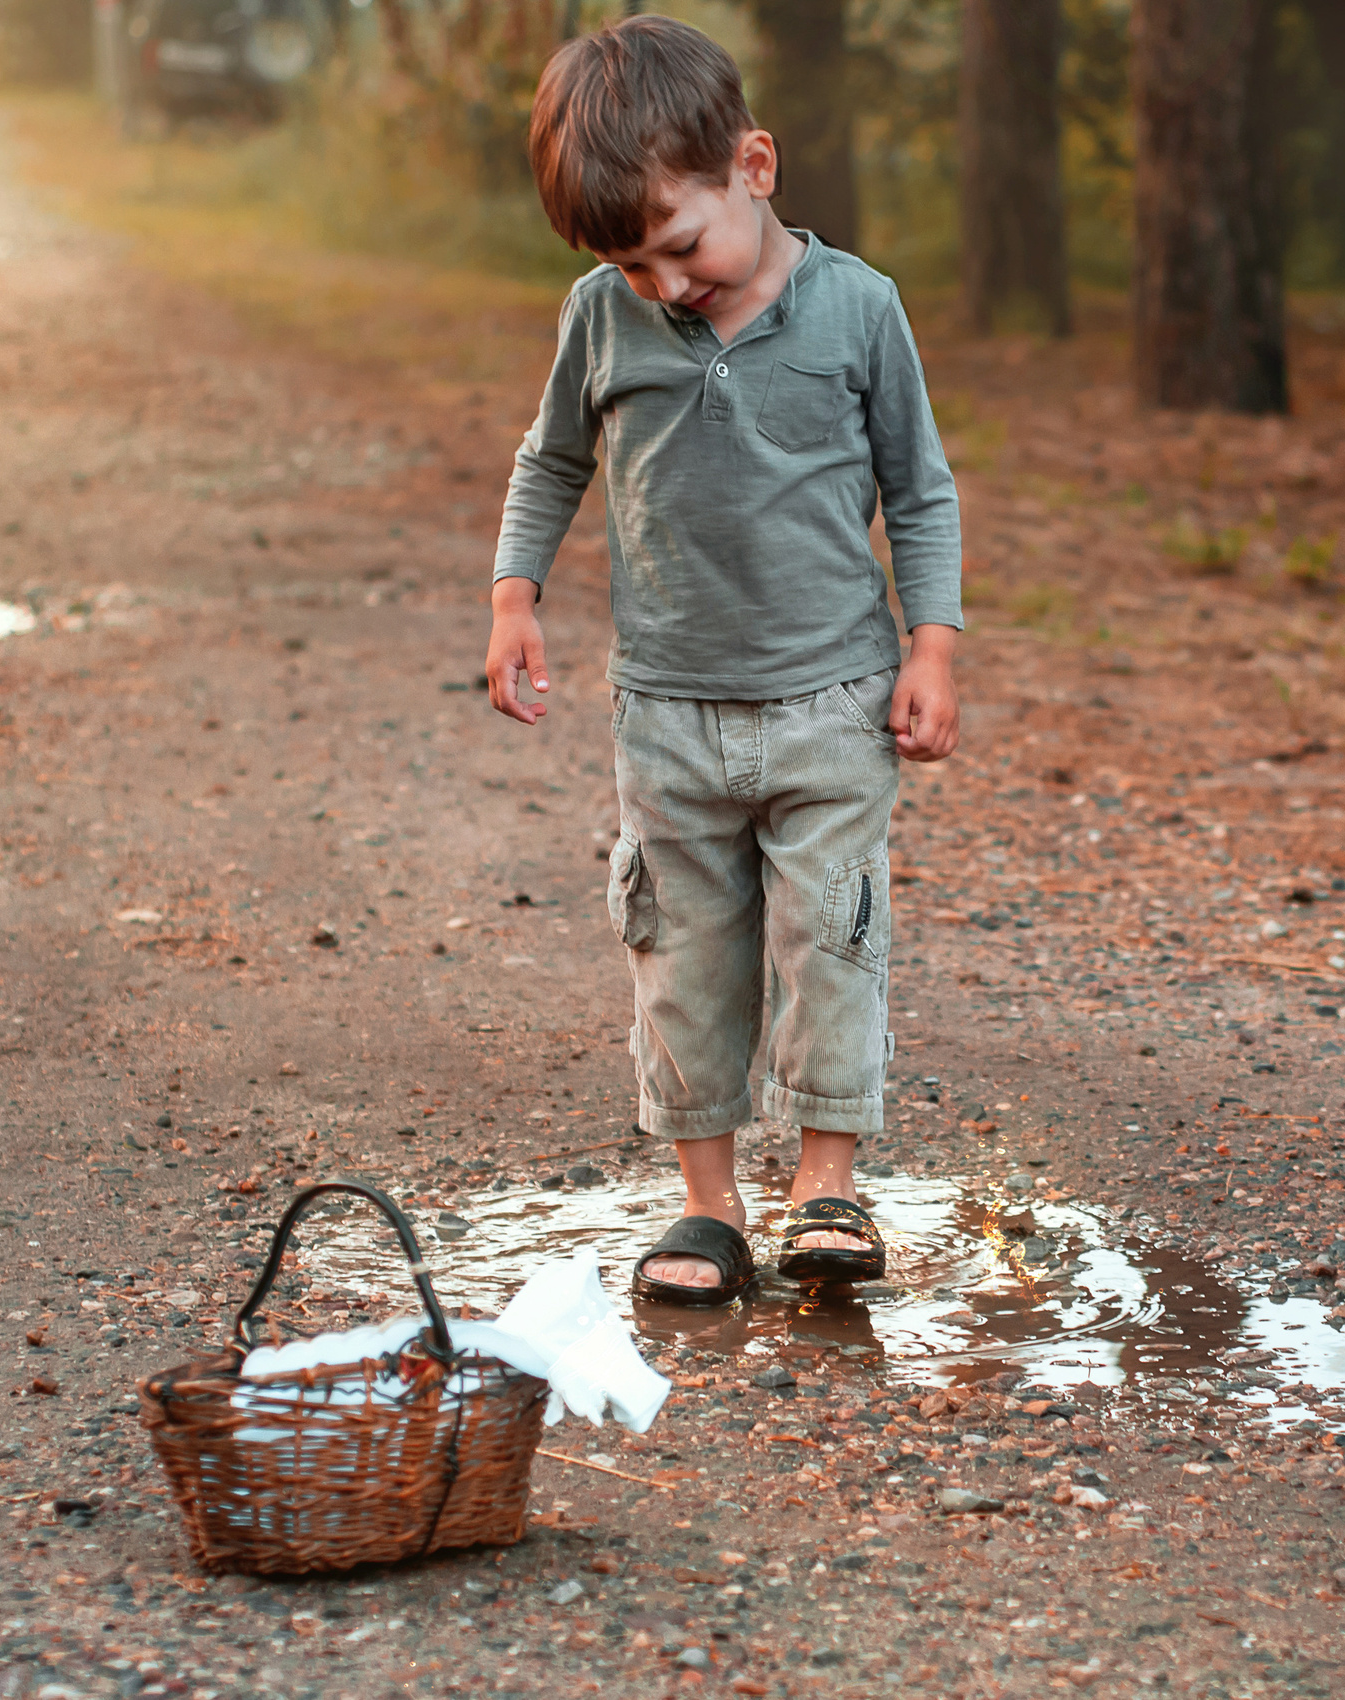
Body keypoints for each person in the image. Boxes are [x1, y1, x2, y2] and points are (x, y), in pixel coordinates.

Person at [483, 16, 962, 1304]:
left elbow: (920, 490)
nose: (665, 287)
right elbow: (552, 462)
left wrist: (933, 645)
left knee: (829, 936)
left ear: (755, 165)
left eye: (680, 247)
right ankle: (707, 1207)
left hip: (835, 701)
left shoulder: (859, 309)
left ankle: (825, 1186)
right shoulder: (605, 318)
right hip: (669, 714)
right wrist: (514, 597)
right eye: (630, 265)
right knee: (681, 949)